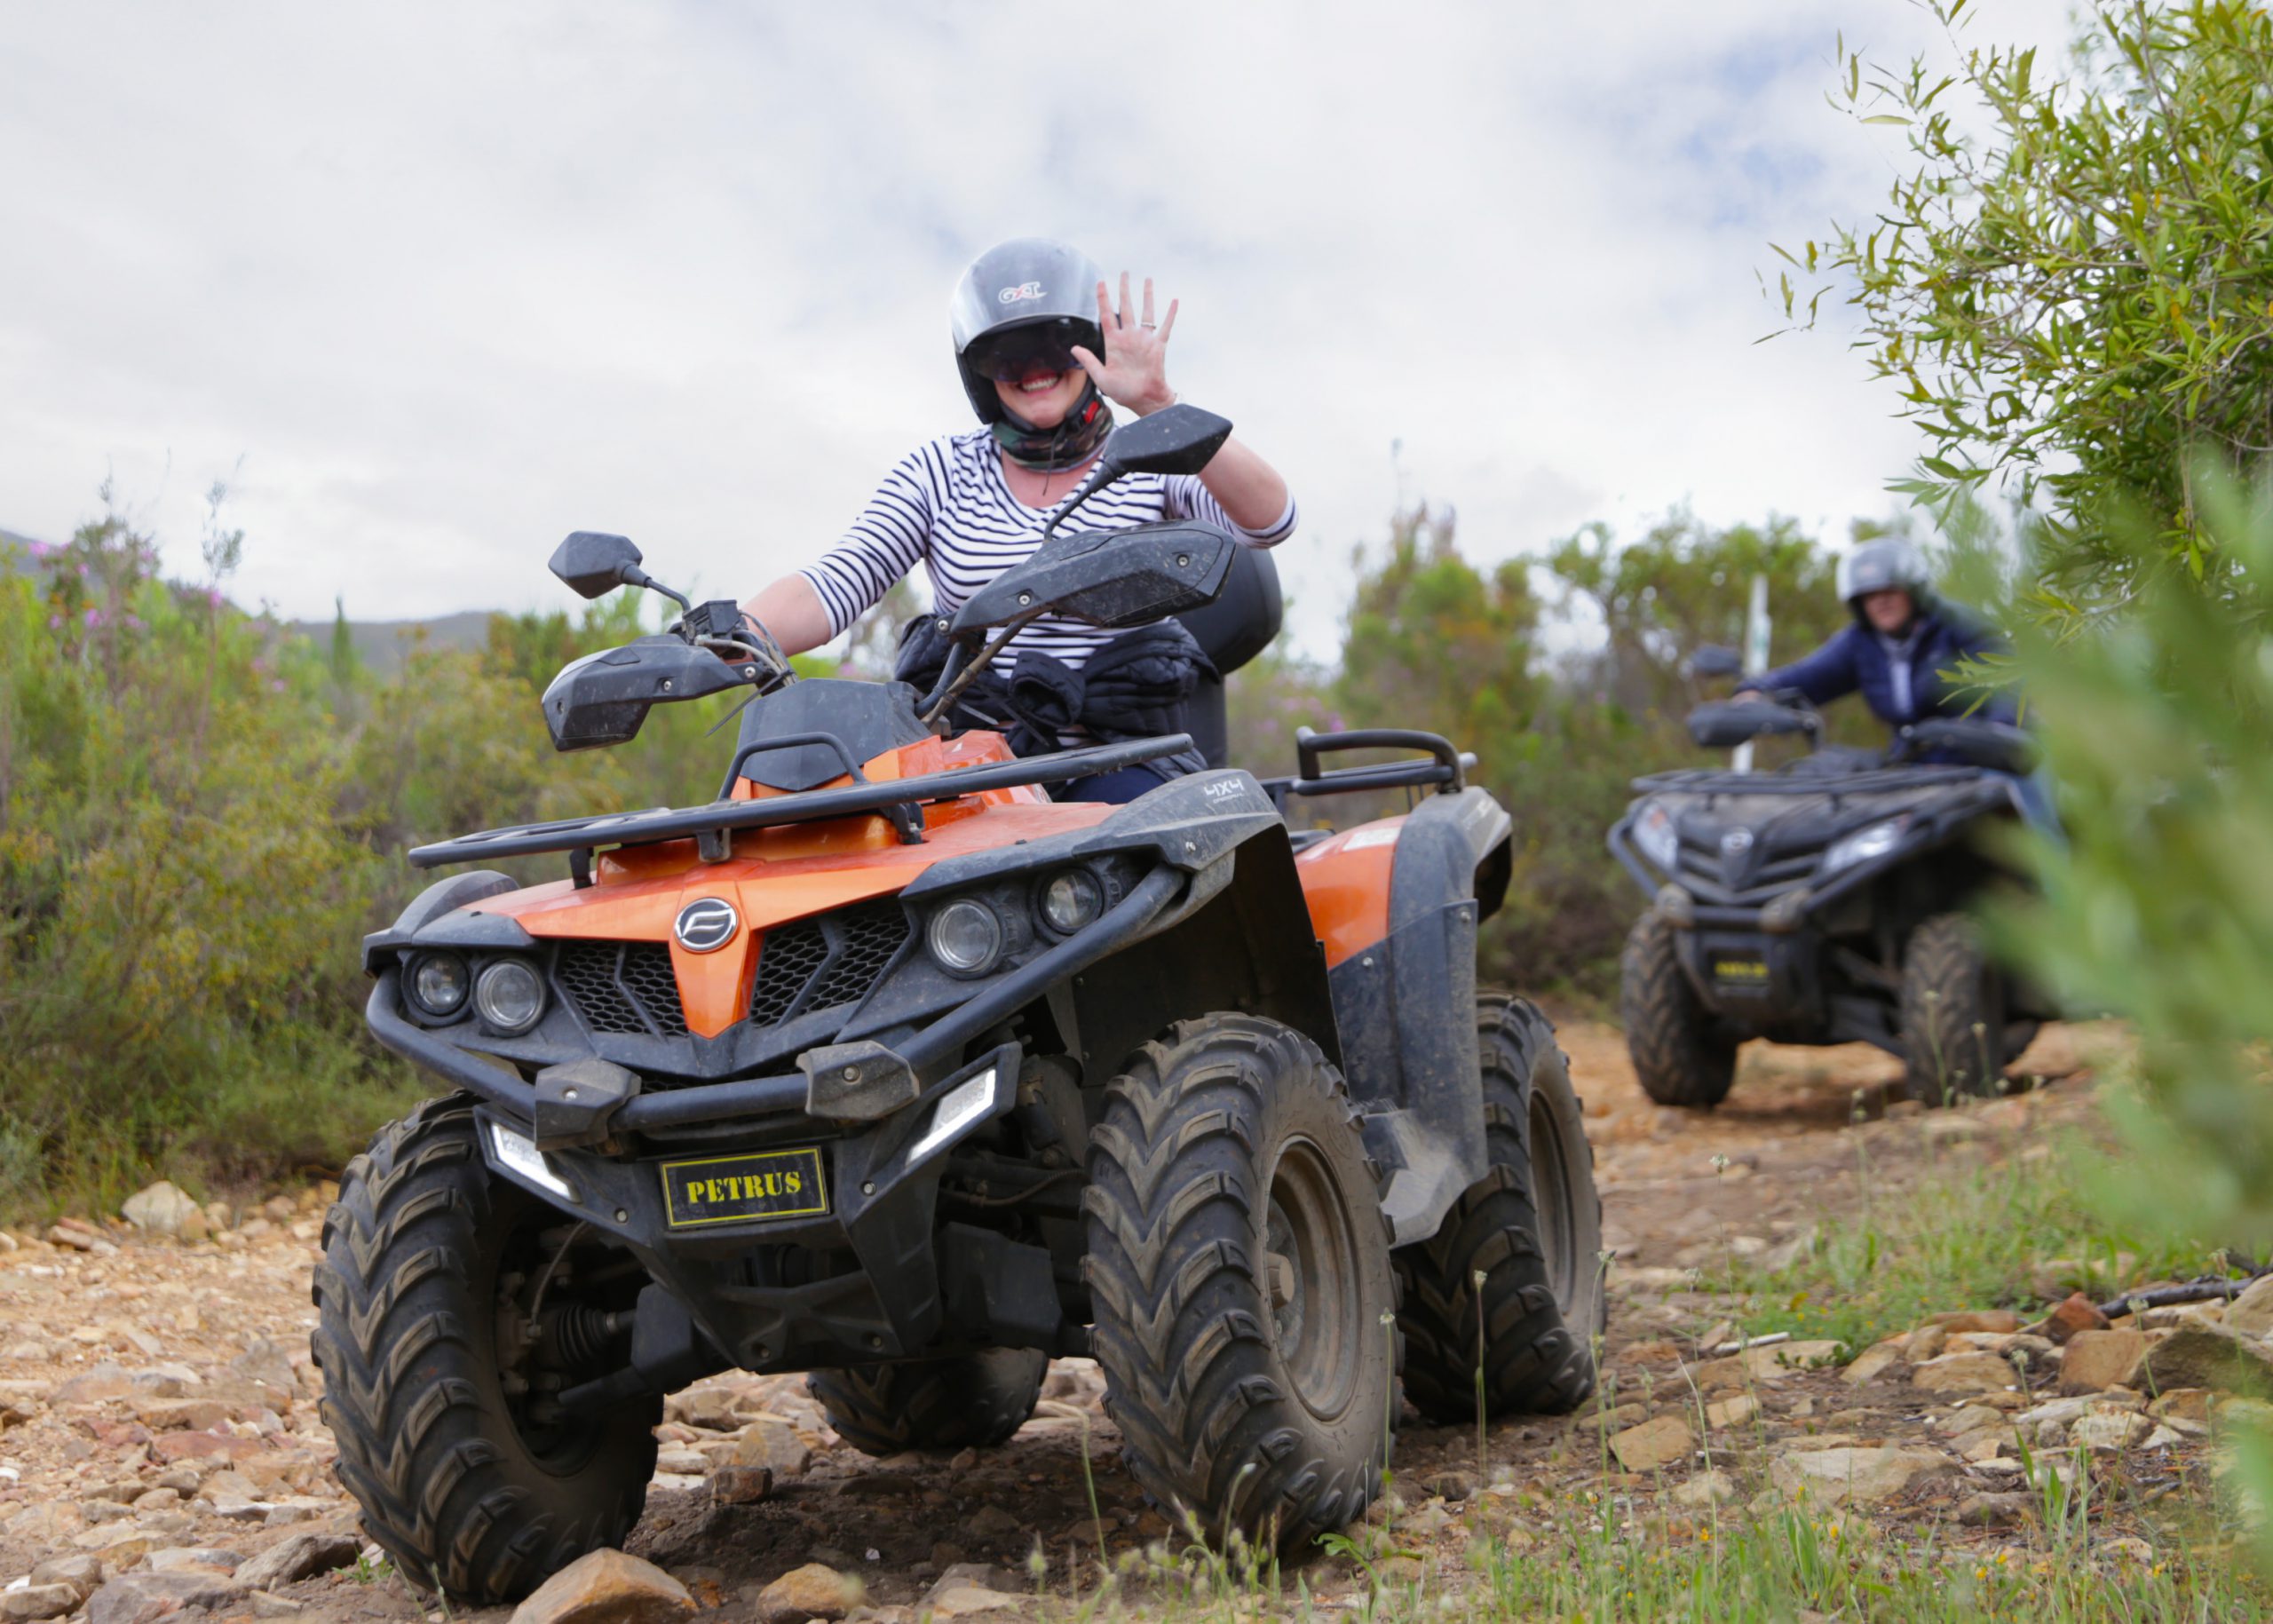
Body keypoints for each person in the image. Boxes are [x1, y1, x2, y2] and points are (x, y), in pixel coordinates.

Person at [738, 237, 1296, 802]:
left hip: (1120, 762)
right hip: (970, 769)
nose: (1034, 370)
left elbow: (1269, 520)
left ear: (1091, 348)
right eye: (1007, 355)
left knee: (1148, 851)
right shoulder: (942, 470)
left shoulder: (1151, 455)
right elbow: (835, 583)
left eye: (1055, 347)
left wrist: (1160, 407)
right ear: (979, 371)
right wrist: (719, 639)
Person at [1738, 535, 2055, 828]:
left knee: (2031, 829)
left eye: (1890, 591)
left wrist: (2000, 730)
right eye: (1869, 595)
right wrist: (1756, 693)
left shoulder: (1959, 626)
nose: (1881, 602)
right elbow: (1806, 677)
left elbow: (2010, 679)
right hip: (1915, 771)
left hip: (1990, 760)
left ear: (1913, 590)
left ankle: (2057, 885)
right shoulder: (1859, 644)